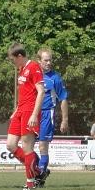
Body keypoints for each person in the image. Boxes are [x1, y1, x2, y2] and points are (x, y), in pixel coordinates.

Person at [6, 43, 47, 190]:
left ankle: (31, 182)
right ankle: (38, 171)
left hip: (30, 110)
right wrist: (16, 110)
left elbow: (41, 92)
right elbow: (25, 92)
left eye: (13, 59)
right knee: (11, 145)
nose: (12, 62)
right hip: (20, 110)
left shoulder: (34, 67)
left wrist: (34, 115)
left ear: (19, 56)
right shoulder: (22, 69)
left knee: (27, 147)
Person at [37, 48, 69, 177]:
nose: (49, 63)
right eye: (46, 60)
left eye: (50, 60)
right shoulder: (33, 75)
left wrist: (65, 120)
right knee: (25, 146)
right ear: (39, 61)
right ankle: (41, 169)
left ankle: (40, 176)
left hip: (46, 114)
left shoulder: (55, 78)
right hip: (32, 114)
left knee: (42, 146)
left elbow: (63, 99)